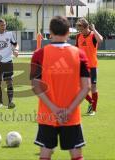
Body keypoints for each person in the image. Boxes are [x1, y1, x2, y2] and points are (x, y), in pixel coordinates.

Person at [30, 16, 91, 160]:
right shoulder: (79, 54)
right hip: (71, 115)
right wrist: (69, 110)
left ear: (50, 32)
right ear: (69, 32)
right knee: (76, 154)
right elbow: (86, 87)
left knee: (45, 152)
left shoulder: (39, 54)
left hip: (47, 114)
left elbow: (35, 86)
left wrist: (54, 109)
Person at [0, 19, 19, 109]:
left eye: (4, 25)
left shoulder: (10, 34)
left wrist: (16, 50)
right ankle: (0, 102)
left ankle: (10, 102)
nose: (3, 27)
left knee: (9, 82)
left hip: (8, 61)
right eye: (1, 25)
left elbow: (16, 44)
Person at [76, 18, 103, 116]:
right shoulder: (78, 36)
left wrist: (94, 30)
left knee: (93, 87)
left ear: (86, 27)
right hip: (81, 66)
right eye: (79, 30)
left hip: (92, 66)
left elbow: (100, 40)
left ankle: (93, 110)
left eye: (81, 29)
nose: (80, 31)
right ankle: (92, 102)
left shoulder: (93, 35)